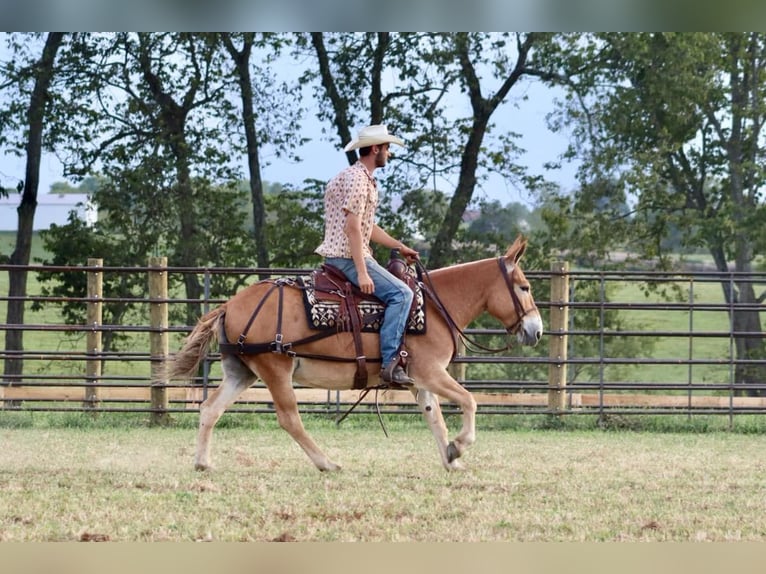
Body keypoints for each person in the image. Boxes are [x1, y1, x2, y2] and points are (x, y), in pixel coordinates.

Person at [315, 124, 419, 386]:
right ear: (376, 149)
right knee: (402, 294)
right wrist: (362, 272)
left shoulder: (354, 176)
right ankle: (390, 363)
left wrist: (399, 245)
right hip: (348, 257)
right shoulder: (360, 181)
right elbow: (352, 228)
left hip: (345, 254)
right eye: (387, 149)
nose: (389, 154)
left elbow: (366, 227)